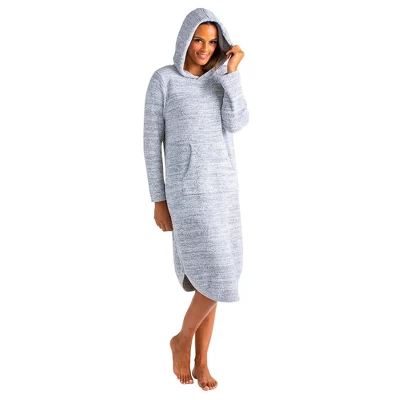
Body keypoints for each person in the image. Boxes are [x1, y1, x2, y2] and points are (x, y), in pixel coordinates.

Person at [143, 8, 249, 391]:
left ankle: (202, 360)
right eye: (198, 39)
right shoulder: (164, 81)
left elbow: (238, 122)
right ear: (186, 39)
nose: (204, 48)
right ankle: (182, 339)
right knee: (214, 272)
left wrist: (231, 73)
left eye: (212, 42)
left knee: (217, 275)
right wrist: (158, 198)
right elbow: (150, 142)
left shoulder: (221, 79)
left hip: (223, 191)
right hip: (188, 194)